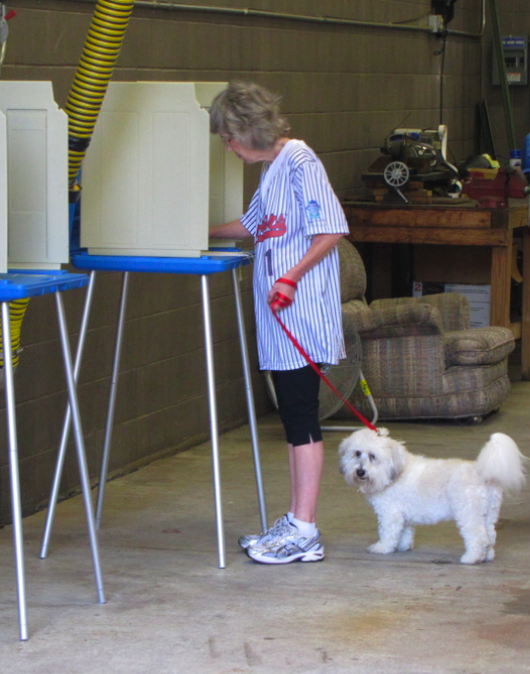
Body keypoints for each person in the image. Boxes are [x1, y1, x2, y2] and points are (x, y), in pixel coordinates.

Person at [208, 82, 348, 565]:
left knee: (301, 418)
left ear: (248, 128)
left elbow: (331, 228)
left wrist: (290, 275)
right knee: (292, 418)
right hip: (280, 317)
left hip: (301, 314)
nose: (227, 146)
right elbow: (251, 227)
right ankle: (296, 520)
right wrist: (193, 232)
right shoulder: (272, 171)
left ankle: (305, 530)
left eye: (228, 137)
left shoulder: (301, 164)